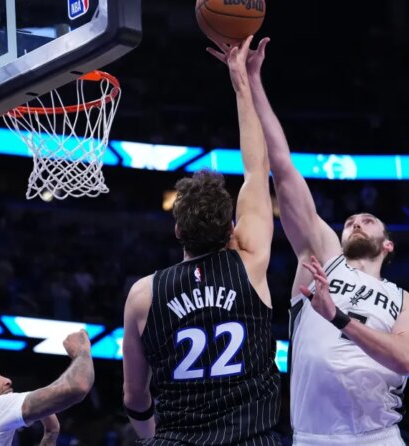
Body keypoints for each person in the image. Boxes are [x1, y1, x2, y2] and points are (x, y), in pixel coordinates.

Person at [241, 37, 409, 445]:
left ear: (388, 244)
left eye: (368, 220)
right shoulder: (322, 255)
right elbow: (284, 168)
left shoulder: (408, 300)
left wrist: (336, 316)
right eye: (350, 220)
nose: (356, 222)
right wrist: (251, 79)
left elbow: (407, 357)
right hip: (314, 437)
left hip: (378, 436)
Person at [122, 35, 281, 445]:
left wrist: (150, 438)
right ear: (232, 229)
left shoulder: (143, 295)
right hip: (252, 438)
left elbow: (134, 396)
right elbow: (256, 167)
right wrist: (242, 83)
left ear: (177, 230)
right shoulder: (251, 262)